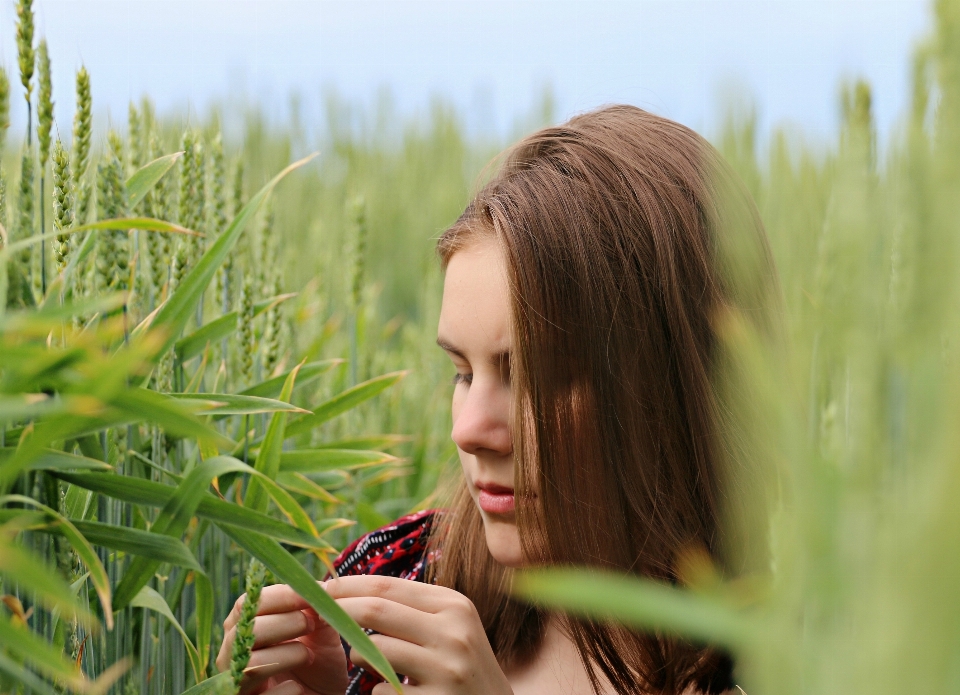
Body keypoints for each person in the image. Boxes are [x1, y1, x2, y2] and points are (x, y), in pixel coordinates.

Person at [216, 104, 778, 695]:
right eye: (462, 372)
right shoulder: (391, 584)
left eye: (534, 377)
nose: (470, 430)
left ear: (664, 387)